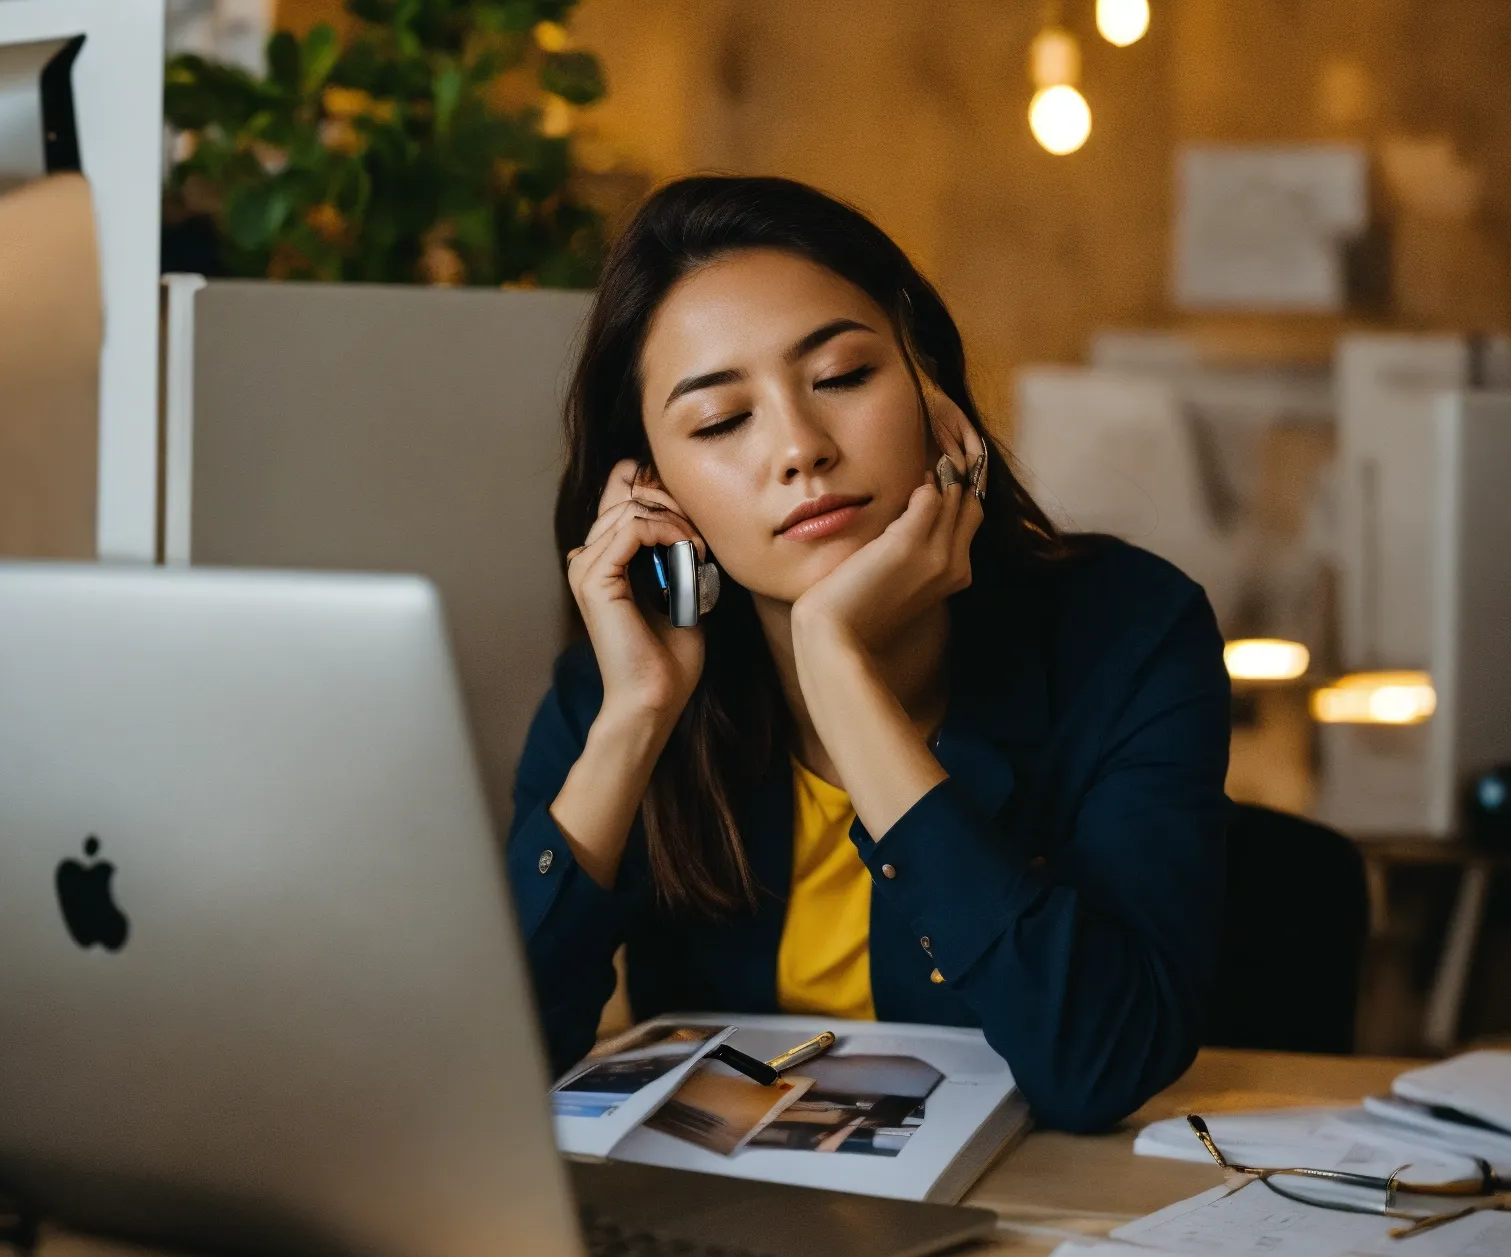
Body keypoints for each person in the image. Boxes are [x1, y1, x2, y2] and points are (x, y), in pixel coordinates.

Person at [508, 176, 1230, 1131]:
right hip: (729, 1220)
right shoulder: (626, 684)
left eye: (843, 377)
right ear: (649, 489)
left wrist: (838, 665)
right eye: (723, 422)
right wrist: (635, 717)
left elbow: (1100, 1064)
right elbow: (482, 1070)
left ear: (935, 397)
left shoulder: (1130, 633)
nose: (801, 449)